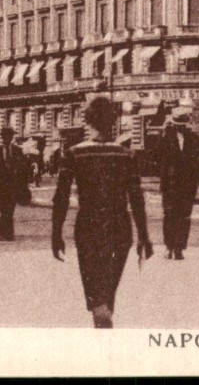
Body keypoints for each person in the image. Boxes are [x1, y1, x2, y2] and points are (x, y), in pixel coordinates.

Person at [51, 97, 153, 329]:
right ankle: (103, 318)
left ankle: (100, 317)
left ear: (87, 121)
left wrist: (56, 234)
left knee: (95, 287)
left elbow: (61, 198)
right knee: (109, 286)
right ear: (114, 121)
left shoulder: (74, 153)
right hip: (120, 226)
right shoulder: (127, 155)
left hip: (88, 225)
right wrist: (144, 237)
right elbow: (136, 198)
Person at [160, 102, 199, 260]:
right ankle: (169, 247)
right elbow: (157, 158)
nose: (180, 127)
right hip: (170, 184)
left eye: (182, 125)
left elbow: (198, 160)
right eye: (178, 124)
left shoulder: (193, 138)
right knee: (169, 215)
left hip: (187, 184)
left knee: (185, 216)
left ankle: (179, 248)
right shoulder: (166, 137)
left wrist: (198, 180)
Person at [0, 126, 28, 241]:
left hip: (14, 186)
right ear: (2, 137)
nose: (7, 138)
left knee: (10, 210)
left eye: (9, 136)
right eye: (5, 136)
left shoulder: (18, 151)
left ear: (11, 137)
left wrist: (23, 186)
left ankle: (7, 232)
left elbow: (24, 170)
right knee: (4, 209)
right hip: (1, 187)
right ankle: (5, 233)